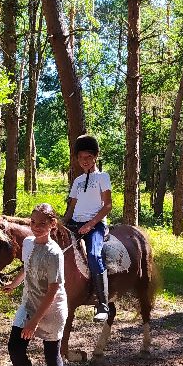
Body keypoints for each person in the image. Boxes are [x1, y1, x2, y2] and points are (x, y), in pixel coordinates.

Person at [2, 204, 68, 366]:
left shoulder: (54, 253)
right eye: (33, 222)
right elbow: (26, 266)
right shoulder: (29, 243)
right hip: (29, 304)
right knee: (15, 347)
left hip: (51, 310)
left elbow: (53, 290)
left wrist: (34, 322)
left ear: (52, 224)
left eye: (42, 223)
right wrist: (13, 284)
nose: (36, 227)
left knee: (51, 354)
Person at [63, 134, 113, 322]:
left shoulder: (103, 177)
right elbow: (72, 207)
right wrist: (62, 222)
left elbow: (107, 205)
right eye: (80, 157)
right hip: (75, 224)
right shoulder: (77, 181)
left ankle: (102, 304)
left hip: (96, 225)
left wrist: (91, 224)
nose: (83, 161)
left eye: (88, 157)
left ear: (95, 157)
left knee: (93, 254)